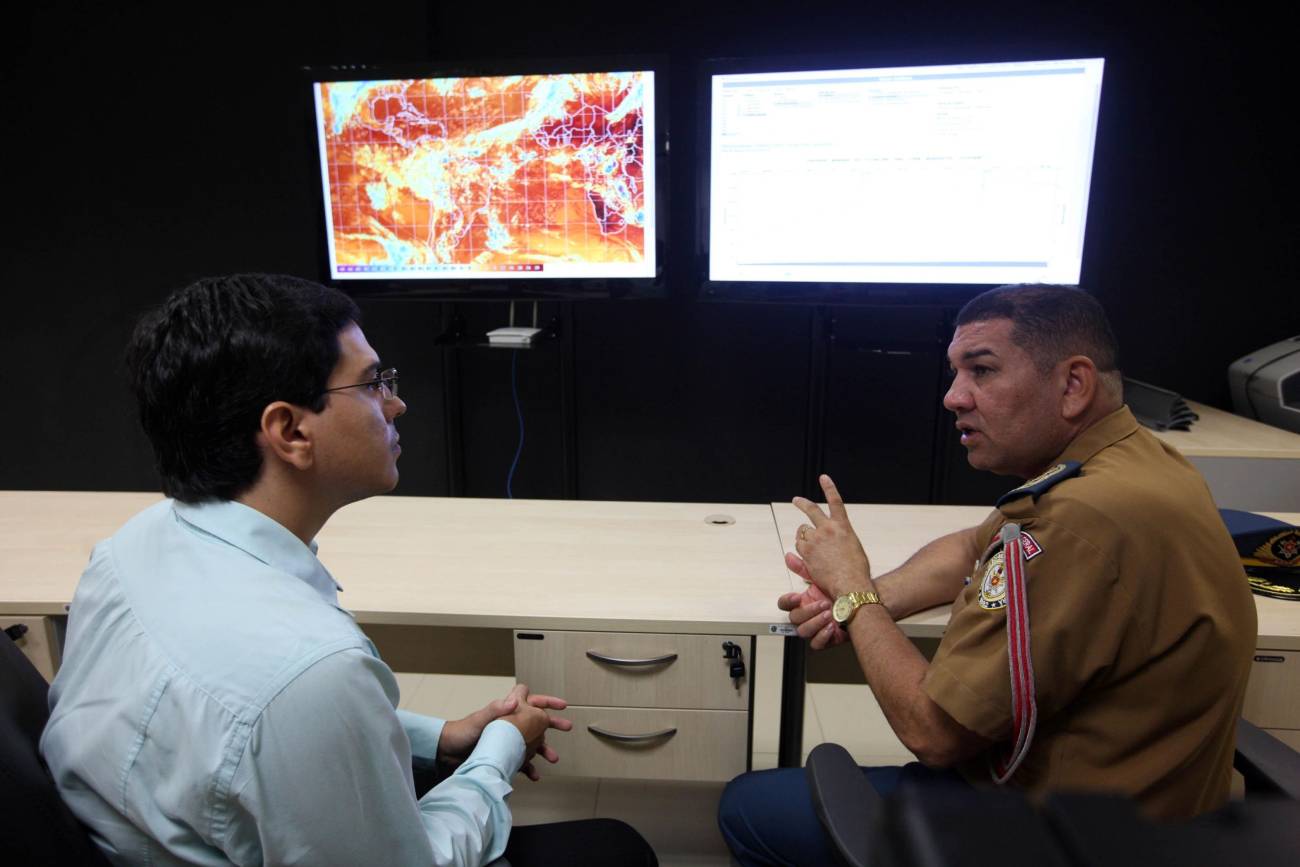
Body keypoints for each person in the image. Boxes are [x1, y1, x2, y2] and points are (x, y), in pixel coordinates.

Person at [41, 274, 656, 867]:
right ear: (289, 431)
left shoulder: (130, 546)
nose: (397, 403)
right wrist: (498, 753)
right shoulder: (310, 673)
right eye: (371, 384)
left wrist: (438, 739)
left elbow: (247, 728)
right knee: (617, 848)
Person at [719, 284, 1257, 866]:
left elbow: (933, 733)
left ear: (1073, 385)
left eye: (982, 370)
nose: (953, 397)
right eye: (955, 373)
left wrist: (853, 592)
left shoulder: (1077, 521)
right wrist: (867, 598)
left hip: (1065, 836)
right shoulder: (1130, 463)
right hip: (1152, 813)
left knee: (746, 808)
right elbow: (969, 547)